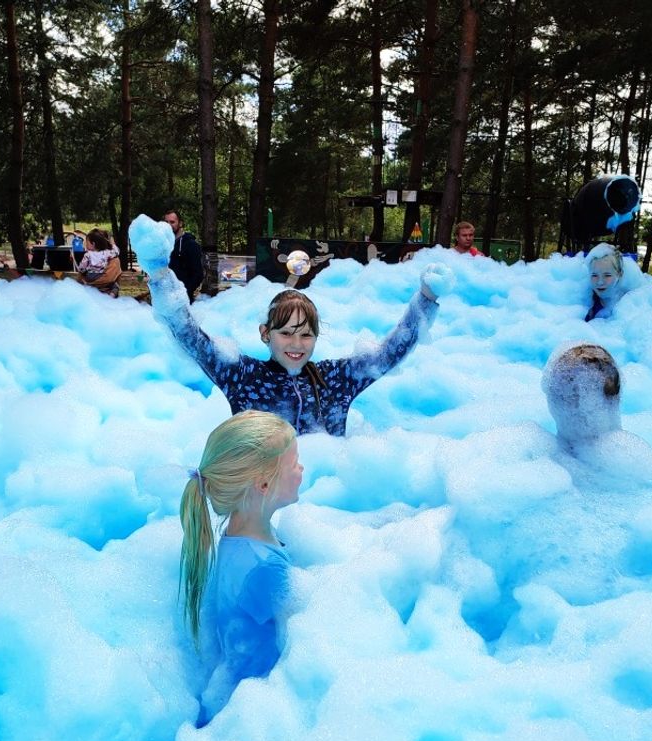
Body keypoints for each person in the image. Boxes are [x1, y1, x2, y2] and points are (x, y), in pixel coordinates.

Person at [129, 213, 454, 436]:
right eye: (286, 333)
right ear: (265, 334)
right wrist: (159, 273)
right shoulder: (243, 377)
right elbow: (190, 337)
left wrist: (426, 298)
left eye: (306, 334)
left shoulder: (335, 379)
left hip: (321, 510)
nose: (296, 344)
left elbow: (389, 354)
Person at [179, 410, 303, 709]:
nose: (301, 468)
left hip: (235, 696)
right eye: (293, 463)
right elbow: (302, 638)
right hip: (259, 702)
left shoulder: (237, 539)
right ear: (263, 485)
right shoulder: (266, 569)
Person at [164, 210, 206, 301]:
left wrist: (184, 292)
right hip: (165, 299)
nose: (168, 225)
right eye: (166, 222)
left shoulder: (191, 245)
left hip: (183, 300)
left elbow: (198, 274)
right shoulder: (164, 245)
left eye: (172, 222)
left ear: (180, 223)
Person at [584, 243, 627, 321]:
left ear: (619, 274)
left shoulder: (628, 302)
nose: (600, 282)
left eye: (607, 275)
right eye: (594, 275)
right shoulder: (586, 302)